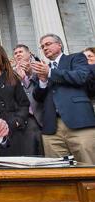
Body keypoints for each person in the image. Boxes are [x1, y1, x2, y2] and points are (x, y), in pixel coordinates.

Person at [32, 33, 95, 164]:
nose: (45, 48)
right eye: (42, 46)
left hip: (78, 122)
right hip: (52, 128)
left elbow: (81, 76)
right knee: (57, 172)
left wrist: (50, 73)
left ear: (59, 45)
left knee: (88, 166)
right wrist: (43, 81)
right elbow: (38, 97)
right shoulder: (44, 68)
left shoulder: (76, 58)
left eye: (48, 44)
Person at [13, 44, 44, 155]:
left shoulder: (39, 67)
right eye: (16, 53)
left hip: (42, 115)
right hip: (25, 119)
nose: (18, 55)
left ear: (29, 53)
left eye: (20, 52)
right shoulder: (10, 73)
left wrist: (31, 73)